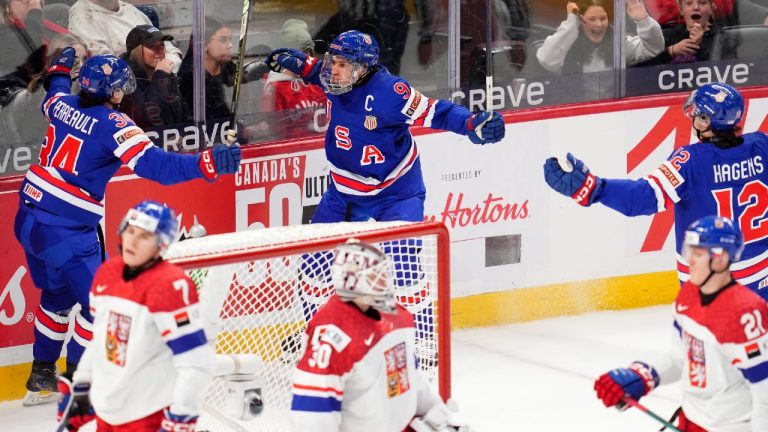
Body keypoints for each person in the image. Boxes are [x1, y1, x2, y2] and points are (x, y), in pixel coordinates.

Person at [14, 48, 241, 406]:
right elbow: (156, 167)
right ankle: (79, 380)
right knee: (101, 306)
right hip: (66, 230)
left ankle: (41, 374)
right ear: (113, 92)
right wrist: (206, 164)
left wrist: (58, 67)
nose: (123, 94)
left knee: (56, 298)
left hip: (27, 219)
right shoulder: (113, 123)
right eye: (120, 89)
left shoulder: (60, 105)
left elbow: (55, 87)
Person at [266, 30, 504, 361]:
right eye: (331, 62)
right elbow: (309, 68)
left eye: (341, 64)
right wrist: (290, 58)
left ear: (362, 68)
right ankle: (315, 332)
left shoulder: (393, 93)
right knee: (313, 265)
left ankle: (423, 336)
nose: (332, 71)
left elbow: (440, 112)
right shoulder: (332, 77)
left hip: (397, 191)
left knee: (405, 265)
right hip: (345, 192)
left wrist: (473, 124)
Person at [542, 82, 768, 296]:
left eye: (698, 115)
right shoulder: (762, 145)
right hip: (762, 277)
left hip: (709, 285)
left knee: (710, 337)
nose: (694, 118)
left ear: (707, 121)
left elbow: (641, 198)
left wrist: (592, 188)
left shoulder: (689, 161)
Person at [594, 216, 768, 431]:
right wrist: (644, 376)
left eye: (698, 254)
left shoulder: (745, 313)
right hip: (691, 420)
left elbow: (764, 391)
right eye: (689, 251)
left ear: (721, 259)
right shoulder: (688, 296)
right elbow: (682, 357)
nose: (689, 260)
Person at [56, 201, 216, 431]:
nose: (132, 240)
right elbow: (103, 339)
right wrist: (83, 384)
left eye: (144, 236)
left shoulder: (170, 286)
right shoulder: (107, 274)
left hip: (148, 416)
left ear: (161, 244)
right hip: (107, 413)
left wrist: (181, 418)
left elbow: (197, 361)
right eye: (130, 231)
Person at [291, 239, 467, 432]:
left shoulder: (399, 316)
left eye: (384, 272)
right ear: (353, 280)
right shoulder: (330, 336)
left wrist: (437, 415)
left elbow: (411, 380)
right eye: (377, 274)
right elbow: (312, 417)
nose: (386, 280)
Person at [0, 33, 86, 176]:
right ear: (56, 60)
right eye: (74, 60)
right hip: (29, 169)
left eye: (84, 59)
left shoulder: (86, 94)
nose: (82, 66)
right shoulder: (38, 96)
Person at [536, 0, 664, 75]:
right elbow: (547, 60)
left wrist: (643, 21)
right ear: (580, 21)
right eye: (592, 19)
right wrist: (571, 22)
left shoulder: (618, 44)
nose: (599, 24)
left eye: (603, 18)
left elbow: (653, 48)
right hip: (574, 114)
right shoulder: (567, 46)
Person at [68, 0, 182, 71]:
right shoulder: (82, 16)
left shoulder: (129, 9)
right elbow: (108, 68)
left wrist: (166, 67)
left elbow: (170, 49)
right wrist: (159, 69)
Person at [261, 19, 327, 140]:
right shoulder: (275, 88)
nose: (305, 58)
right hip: (293, 150)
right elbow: (276, 130)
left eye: (308, 52)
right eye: (300, 53)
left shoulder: (318, 80)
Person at [119, 24, 186, 129]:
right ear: (137, 51)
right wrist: (160, 78)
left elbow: (180, 114)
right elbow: (147, 118)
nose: (159, 51)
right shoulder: (128, 80)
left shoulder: (166, 73)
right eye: (152, 47)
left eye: (162, 45)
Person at [652, 0, 738, 64]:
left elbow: (723, 73)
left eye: (702, 3)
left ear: (711, 8)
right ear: (681, 9)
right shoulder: (667, 36)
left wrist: (700, 45)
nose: (696, 7)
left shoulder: (724, 39)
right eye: (689, 3)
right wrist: (671, 51)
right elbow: (644, 69)